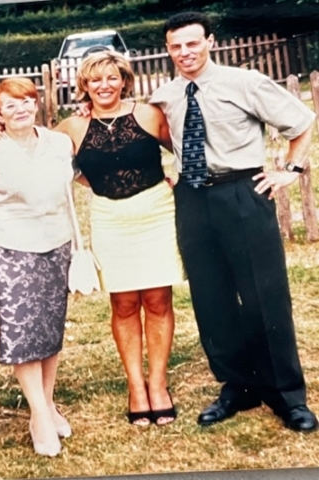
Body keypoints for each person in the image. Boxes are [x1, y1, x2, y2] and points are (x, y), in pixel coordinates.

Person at [149, 11, 318, 432]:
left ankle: (286, 394)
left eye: (193, 43)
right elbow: (154, 132)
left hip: (242, 192)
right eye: (176, 46)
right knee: (211, 296)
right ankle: (237, 385)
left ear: (210, 42)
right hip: (192, 198)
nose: (185, 52)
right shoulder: (165, 95)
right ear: (168, 50)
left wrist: (291, 170)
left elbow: (302, 122)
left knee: (264, 293)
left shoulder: (244, 83)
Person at [57, 51, 185, 427]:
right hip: (109, 218)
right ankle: (136, 387)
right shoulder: (71, 127)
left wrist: (177, 176)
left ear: (124, 81)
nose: (104, 85)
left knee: (158, 300)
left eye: (112, 77)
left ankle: (158, 384)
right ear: (84, 85)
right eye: (95, 80)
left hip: (156, 213)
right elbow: (43, 156)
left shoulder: (148, 114)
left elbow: (183, 147)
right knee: (124, 304)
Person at [0, 78, 74, 457]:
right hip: (11, 247)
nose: (21, 109)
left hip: (57, 243)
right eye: (10, 105)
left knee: (49, 327)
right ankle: (40, 417)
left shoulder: (59, 143)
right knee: (22, 332)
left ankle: (46, 405)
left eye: (27, 101)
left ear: (37, 104)